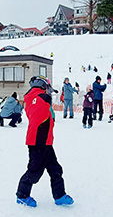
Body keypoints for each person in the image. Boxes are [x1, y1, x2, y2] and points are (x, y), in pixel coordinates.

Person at [15, 76, 73, 207]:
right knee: (35, 171)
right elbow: (38, 112)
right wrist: (46, 97)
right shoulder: (37, 97)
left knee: (55, 169)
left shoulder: (36, 97)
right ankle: (22, 195)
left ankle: (59, 195)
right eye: (47, 89)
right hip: (37, 142)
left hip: (45, 141)